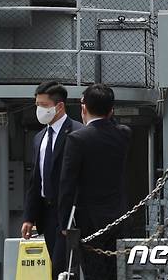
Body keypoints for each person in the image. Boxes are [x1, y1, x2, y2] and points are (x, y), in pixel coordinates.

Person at [58, 83, 131, 280]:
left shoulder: (77, 139)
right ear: (111, 110)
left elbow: (67, 184)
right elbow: (113, 124)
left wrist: (64, 222)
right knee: (116, 271)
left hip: (89, 220)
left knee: (93, 272)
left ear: (84, 108)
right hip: (118, 216)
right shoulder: (123, 134)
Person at [21, 82, 83, 278]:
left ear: (59, 106)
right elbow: (35, 179)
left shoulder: (77, 132)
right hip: (46, 213)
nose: (39, 109)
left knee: (62, 267)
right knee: (58, 266)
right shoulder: (39, 137)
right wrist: (29, 217)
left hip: (69, 212)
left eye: (44, 105)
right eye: (37, 104)